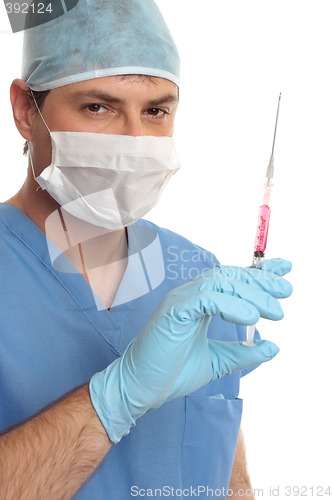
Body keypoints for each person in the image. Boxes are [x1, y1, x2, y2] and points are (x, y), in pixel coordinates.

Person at [0, 1, 292, 498]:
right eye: (99, 107)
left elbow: (223, 470)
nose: (135, 141)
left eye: (156, 110)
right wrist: (116, 397)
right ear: (28, 111)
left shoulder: (199, 277)